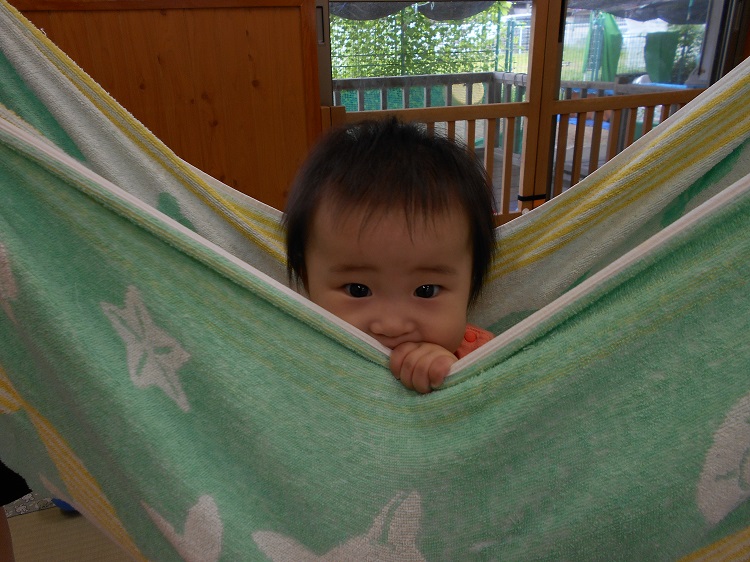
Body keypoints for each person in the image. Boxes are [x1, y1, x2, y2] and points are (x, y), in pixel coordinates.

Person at [284, 118, 496, 393]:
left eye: (426, 291)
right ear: (306, 280)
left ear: (471, 282)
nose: (392, 326)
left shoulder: (485, 362)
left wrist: (455, 384)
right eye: (358, 290)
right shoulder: (294, 357)